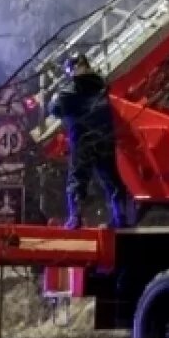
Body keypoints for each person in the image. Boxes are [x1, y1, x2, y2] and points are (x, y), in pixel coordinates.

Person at [48, 53, 131, 228]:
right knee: (111, 178)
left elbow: (55, 109)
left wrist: (54, 98)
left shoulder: (69, 91)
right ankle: (121, 216)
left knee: (77, 178)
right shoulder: (101, 85)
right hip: (105, 139)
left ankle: (75, 218)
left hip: (83, 141)